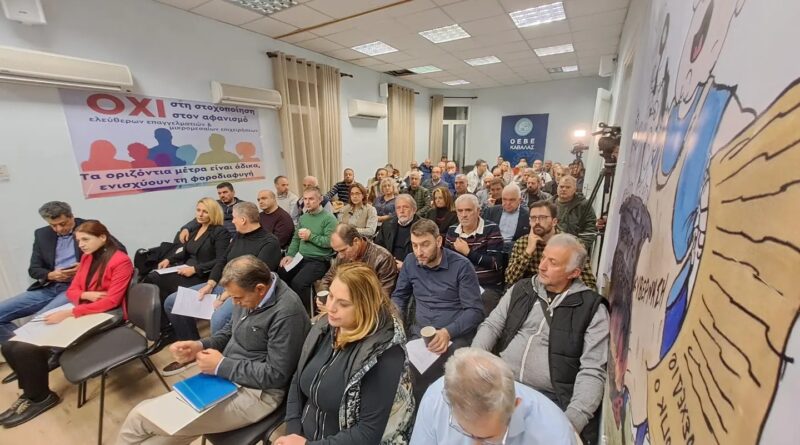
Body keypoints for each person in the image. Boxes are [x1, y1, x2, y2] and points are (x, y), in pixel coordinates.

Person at [118, 256, 310, 445]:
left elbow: (276, 375)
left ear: (260, 289)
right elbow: (230, 331)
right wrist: (200, 345)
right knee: (154, 438)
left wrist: (221, 365)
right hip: (229, 379)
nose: (234, 303)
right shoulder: (252, 294)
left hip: (258, 394)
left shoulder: (287, 313)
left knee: (139, 417)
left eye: (238, 298)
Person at [472, 234, 609, 444]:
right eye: (544, 257)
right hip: (503, 387)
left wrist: (570, 423)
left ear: (574, 272)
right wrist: (474, 364)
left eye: (553, 262)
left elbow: (592, 371)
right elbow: (491, 326)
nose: (542, 266)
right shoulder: (522, 289)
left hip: (549, 399)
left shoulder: (591, 309)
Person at [1, 221, 133, 427]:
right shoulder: (87, 258)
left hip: (108, 314)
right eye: (78, 240)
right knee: (10, 345)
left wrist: (70, 312)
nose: (81, 245)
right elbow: (72, 290)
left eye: (85, 239)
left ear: (102, 237)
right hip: (86, 308)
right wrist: (85, 295)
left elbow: (112, 301)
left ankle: (41, 398)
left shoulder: (120, 260)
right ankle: (30, 394)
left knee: (26, 348)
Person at [277, 263, 414, 445]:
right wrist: (293, 430)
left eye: (343, 304)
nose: (331, 307)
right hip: (305, 433)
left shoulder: (385, 354)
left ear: (365, 307)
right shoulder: (325, 327)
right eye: (331, 296)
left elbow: (368, 433)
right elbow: (298, 379)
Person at [161, 202, 282, 374]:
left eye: (234, 218)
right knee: (171, 301)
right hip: (223, 285)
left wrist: (225, 295)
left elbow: (256, 277)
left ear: (243, 220)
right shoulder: (239, 236)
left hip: (245, 292)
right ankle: (194, 348)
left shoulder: (269, 242)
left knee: (218, 318)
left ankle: (218, 361)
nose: (231, 221)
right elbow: (222, 261)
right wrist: (210, 284)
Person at [0, 202, 126, 344]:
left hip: (79, 286)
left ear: (71, 216)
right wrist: (50, 275)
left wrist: (85, 267)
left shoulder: (87, 227)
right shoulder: (42, 234)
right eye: (53, 225)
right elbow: (34, 269)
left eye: (63, 224)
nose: (59, 229)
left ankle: (30, 348)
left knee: (40, 320)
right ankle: (21, 347)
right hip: (51, 285)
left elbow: (118, 251)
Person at [391, 219, 484, 403]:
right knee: (397, 370)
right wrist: (393, 319)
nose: (419, 252)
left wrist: (448, 332)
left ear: (439, 241)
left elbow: (475, 311)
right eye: (415, 245)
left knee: (437, 381)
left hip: (453, 335)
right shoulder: (410, 261)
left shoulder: (461, 266)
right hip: (420, 334)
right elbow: (399, 296)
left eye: (425, 244)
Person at [410, 348, 577, 445]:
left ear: (515, 406)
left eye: (488, 440)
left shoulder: (553, 435)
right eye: (463, 430)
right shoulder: (436, 398)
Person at [144, 198, 230, 306]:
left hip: (202, 274)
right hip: (185, 269)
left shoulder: (220, 232)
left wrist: (195, 269)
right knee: (152, 276)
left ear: (213, 213)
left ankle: (164, 313)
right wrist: (169, 260)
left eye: (205, 212)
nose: (200, 214)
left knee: (155, 279)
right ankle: (157, 313)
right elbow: (185, 251)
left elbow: (221, 260)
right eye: (198, 210)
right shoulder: (196, 229)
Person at [505, 201, 597, 290]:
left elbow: (588, 284)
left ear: (554, 222)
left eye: (542, 218)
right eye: (533, 218)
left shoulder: (572, 244)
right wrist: (528, 251)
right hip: (530, 293)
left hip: (562, 293)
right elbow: (510, 279)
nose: (537, 222)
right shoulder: (523, 242)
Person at [444, 194, 504, 313]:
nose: (464, 214)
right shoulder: (452, 230)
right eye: (460, 211)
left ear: (478, 211)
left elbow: (496, 263)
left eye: (468, 210)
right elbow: (447, 263)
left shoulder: (491, 229)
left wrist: (468, 252)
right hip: (459, 285)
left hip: (486, 286)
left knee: (478, 315)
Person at [280, 186, 338, 306]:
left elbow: (330, 242)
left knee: (298, 283)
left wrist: (311, 236)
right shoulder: (303, 217)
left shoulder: (329, 218)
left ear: (320, 199)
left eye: (311, 199)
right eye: (305, 199)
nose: (307, 202)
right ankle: (289, 306)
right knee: (281, 274)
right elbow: (296, 238)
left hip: (319, 260)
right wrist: (290, 255)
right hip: (300, 258)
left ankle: (307, 311)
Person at [319, 224, 398, 301]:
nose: (341, 256)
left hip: (368, 306)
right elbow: (327, 279)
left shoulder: (383, 258)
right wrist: (325, 297)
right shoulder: (342, 256)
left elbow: (383, 296)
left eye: (343, 250)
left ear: (356, 241)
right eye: (337, 251)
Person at [178, 182, 242, 239]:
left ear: (233, 192)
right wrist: (186, 228)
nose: (222, 195)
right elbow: (200, 218)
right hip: (217, 235)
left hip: (237, 236)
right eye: (219, 193)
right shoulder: (214, 204)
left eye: (225, 192)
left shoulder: (242, 205)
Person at [374, 194, 423, 269]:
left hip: (414, 269)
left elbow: (427, 255)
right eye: (398, 208)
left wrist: (405, 266)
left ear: (414, 209)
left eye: (405, 207)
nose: (401, 211)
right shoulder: (387, 225)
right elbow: (378, 248)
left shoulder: (424, 227)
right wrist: (388, 261)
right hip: (389, 267)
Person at [552, 175, 597, 253]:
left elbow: (590, 228)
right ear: (557, 187)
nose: (564, 189)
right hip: (551, 246)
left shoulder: (584, 205)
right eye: (561, 186)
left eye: (568, 187)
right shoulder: (549, 204)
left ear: (574, 189)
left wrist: (581, 245)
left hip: (575, 249)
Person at [483, 184, 530, 253]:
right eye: (504, 199)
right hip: (491, 249)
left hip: (514, 251)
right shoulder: (491, 211)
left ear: (520, 200)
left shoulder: (527, 215)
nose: (508, 203)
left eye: (512, 200)